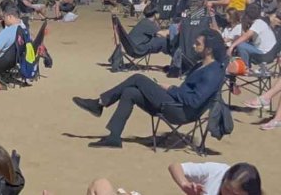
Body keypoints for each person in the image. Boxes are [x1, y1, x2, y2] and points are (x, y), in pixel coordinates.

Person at [73, 29, 226, 148]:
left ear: (209, 50)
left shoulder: (213, 72)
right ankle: (114, 137)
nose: (194, 45)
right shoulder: (201, 65)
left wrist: (170, 88)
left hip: (181, 112)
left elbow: (194, 101)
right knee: (130, 92)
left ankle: (99, 103)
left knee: (138, 78)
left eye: (198, 43)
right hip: (176, 103)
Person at [226, 3, 276, 68]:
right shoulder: (260, 22)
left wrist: (231, 46)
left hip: (265, 54)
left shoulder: (258, 23)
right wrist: (243, 25)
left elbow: (246, 36)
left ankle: (245, 66)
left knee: (241, 45)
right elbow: (244, 36)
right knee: (242, 43)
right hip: (269, 51)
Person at [168, 162, 262, 195]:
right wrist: (184, 184)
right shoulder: (216, 171)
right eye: (227, 189)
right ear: (224, 179)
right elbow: (175, 167)